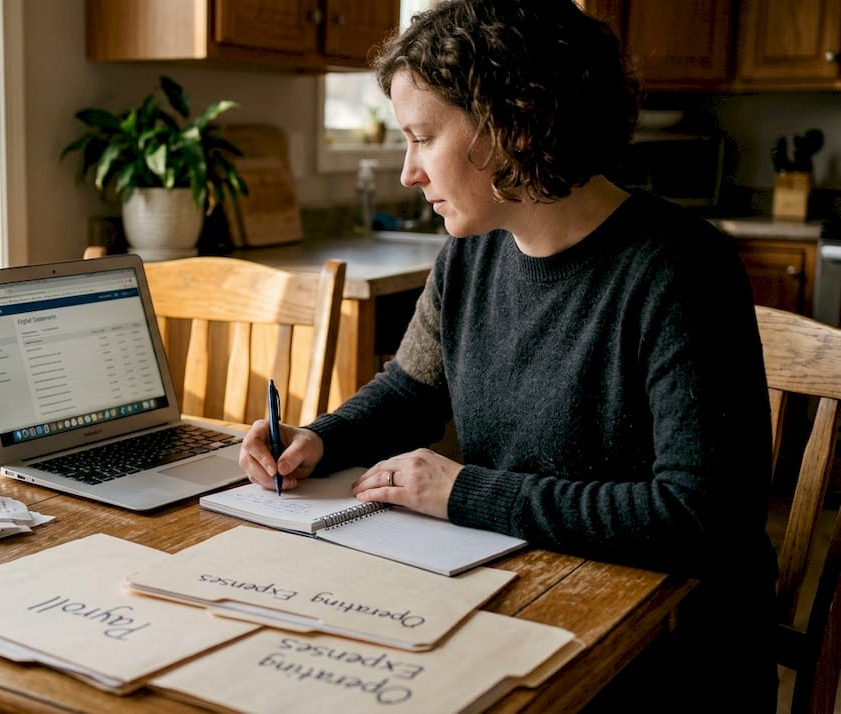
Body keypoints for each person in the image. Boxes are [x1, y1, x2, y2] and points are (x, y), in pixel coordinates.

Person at [237, 1, 778, 710]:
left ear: (513, 126)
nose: (407, 172)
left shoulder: (678, 268)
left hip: (668, 649)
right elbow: (411, 390)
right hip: (517, 591)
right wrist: (323, 437)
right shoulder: (470, 254)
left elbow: (699, 515)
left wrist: (463, 492)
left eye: (423, 137)